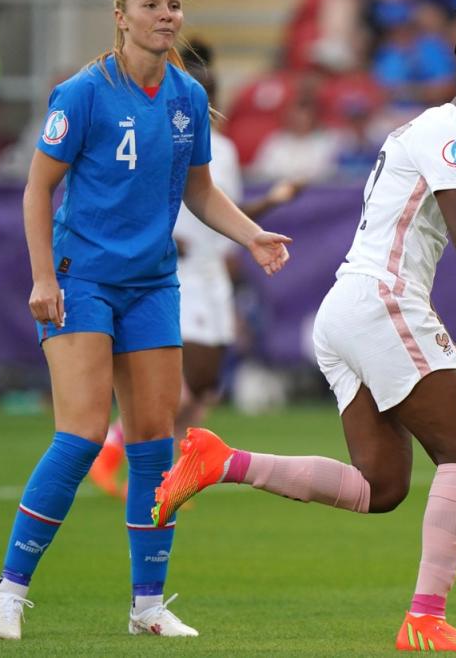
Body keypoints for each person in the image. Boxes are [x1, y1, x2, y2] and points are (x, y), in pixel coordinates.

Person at [150, 2, 456, 652]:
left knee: (380, 487)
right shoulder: (450, 133)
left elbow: (402, 242)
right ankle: (425, 621)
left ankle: (221, 460)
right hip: (379, 304)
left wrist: (433, 337)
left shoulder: (424, 129)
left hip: (355, 307)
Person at [0, 0, 291, 641]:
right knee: (83, 433)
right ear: (121, 16)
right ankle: (8, 590)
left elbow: (199, 190)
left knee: (156, 441)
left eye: (173, 5)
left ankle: (147, 607)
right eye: (152, 5)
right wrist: (43, 279)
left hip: (151, 284)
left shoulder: (183, 96)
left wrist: (251, 234)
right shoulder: (83, 94)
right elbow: (37, 190)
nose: (166, 15)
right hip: (82, 278)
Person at [86, 42, 304, 499]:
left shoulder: (219, 148)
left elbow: (221, 206)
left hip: (212, 273)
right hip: (180, 273)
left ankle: (174, 476)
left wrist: (266, 211)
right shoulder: (164, 136)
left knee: (205, 387)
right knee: (185, 386)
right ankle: (111, 449)